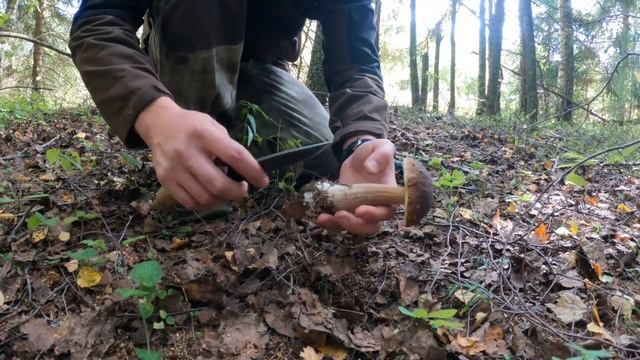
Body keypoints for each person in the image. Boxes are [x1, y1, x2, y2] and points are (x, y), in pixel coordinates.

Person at [69, 0, 397, 236]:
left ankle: (224, 159)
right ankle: (197, 178)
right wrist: (156, 116)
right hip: (172, 65)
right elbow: (98, 22)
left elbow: (356, 64)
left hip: (259, 71)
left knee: (325, 159)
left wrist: (361, 141)